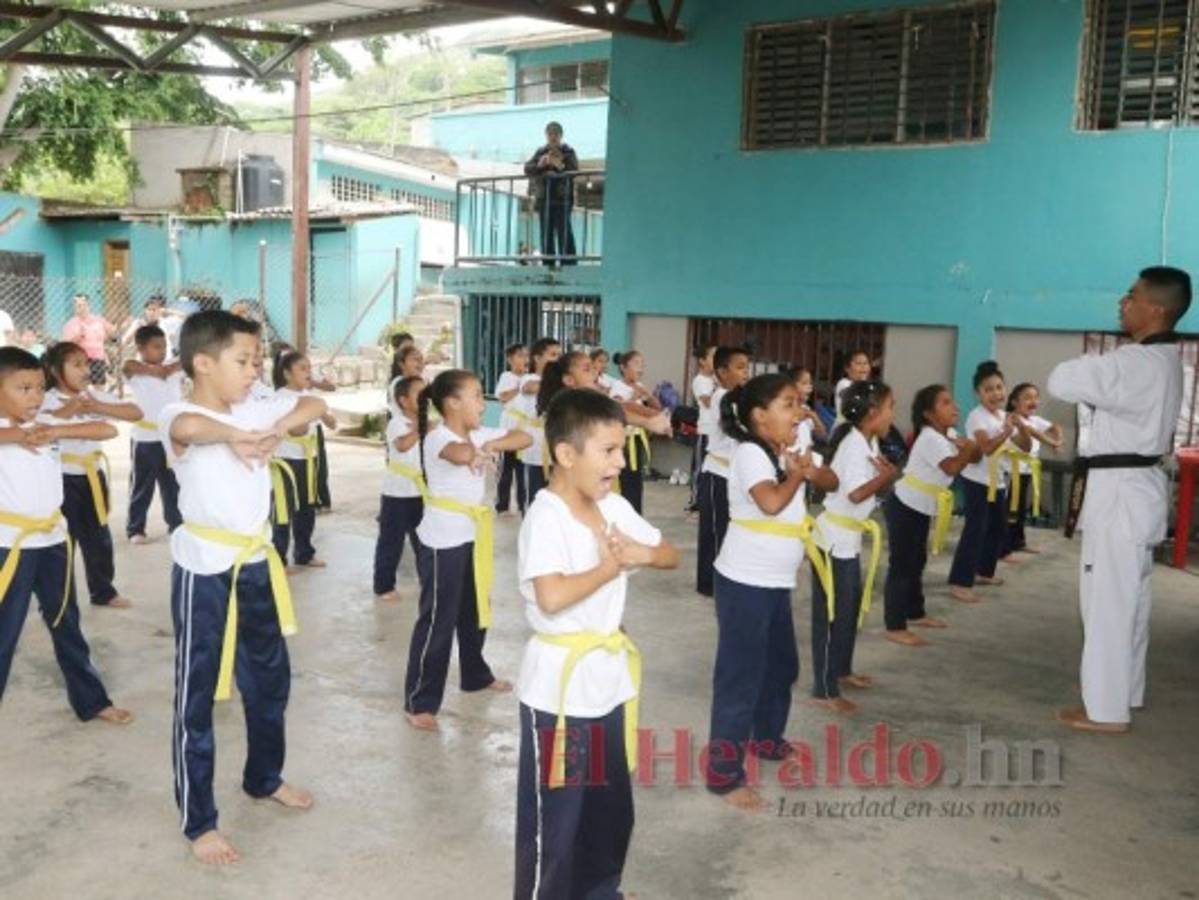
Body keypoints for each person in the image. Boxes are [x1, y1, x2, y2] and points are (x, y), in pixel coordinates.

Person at [162, 310, 327, 865]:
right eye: (243, 361)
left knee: (270, 680)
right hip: (205, 571)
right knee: (199, 694)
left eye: (258, 361)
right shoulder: (180, 411)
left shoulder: (256, 406)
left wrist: (272, 428)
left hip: (257, 565)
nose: (255, 371)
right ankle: (199, 821)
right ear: (203, 363)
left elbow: (315, 406)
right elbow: (189, 431)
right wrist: (237, 435)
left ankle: (264, 777)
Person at [514, 388, 679, 898]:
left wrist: (640, 554)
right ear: (566, 454)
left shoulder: (615, 506)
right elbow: (552, 595)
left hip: (607, 687)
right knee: (556, 828)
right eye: (608, 450)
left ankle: (600, 891)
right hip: (560, 697)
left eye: (622, 448)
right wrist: (611, 566)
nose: (619, 461)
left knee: (608, 814)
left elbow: (668, 552)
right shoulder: (546, 516)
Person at [1048, 266, 1188, 734]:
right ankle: (1125, 692)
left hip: (1121, 491)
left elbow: (1060, 380)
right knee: (1132, 599)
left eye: (1132, 295)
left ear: (1157, 308)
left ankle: (1105, 710)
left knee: (1107, 601)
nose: (1122, 303)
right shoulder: (1169, 360)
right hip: (1140, 487)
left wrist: (1099, 367)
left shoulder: (1136, 363)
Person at [705, 373, 837, 811]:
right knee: (739, 677)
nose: (798, 412)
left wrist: (810, 467)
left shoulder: (794, 448)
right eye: (787, 404)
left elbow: (832, 482)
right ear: (759, 416)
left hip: (776, 582)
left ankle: (765, 740)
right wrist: (798, 476)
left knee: (781, 666)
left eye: (800, 404)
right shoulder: (748, 453)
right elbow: (770, 503)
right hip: (746, 582)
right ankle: (723, 774)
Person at [0, 346, 133, 726]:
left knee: (66, 621)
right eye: (23, 388)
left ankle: (91, 700)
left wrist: (54, 428)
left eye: (40, 387)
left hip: (52, 542)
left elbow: (106, 428)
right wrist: (18, 436)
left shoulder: (44, 421)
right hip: (11, 546)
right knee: (5, 631)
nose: (35, 396)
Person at [403, 369, 531, 732]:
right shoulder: (436, 436)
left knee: (475, 611)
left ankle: (474, 674)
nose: (481, 402)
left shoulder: (479, 434)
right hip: (443, 540)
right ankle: (419, 700)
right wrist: (476, 452)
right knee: (437, 620)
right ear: (452, 403)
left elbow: (523, 437)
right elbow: (457, 454)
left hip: (472, 535)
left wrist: (489, 446)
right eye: (475, 395)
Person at [811, 380, 898, 714]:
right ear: (873, 413)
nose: (893, 414)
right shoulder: (852, 445)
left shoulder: (868, 441)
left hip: (848, 540)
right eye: (890, 407)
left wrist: (883, 477)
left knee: (848, 612)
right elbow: (855, 494)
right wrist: (885, 478)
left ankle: (842, 670)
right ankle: (824, 687)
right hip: (833, 542)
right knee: (831, 616)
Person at [42, 342, 142, 609]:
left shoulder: (93, 396)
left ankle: (103, 591)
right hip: (62, 478)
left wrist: (98, 406)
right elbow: (39, 423)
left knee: (98, 537)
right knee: (63, 541)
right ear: (54, 370)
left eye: (86, 364)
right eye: (76, 365)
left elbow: (136, 412)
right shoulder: (45, 399)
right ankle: (58, 598)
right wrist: (69, 410)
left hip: (93, 476)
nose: (85, 370)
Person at [884, 385, 980, 647]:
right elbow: (951, 467)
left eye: (953, 402)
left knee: (917, 561)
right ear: (928, 414)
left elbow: (974, 457)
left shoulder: (948, 434)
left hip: (921, 505)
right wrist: (967, 449)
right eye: (946, 403)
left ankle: (915, 612)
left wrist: (971, 448)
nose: (955, 407)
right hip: (905, 505)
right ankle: (894, 625)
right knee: (902, 565)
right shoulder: (930, 438)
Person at [947, 361, 1033, 603]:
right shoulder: (977, 417)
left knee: (997, 528)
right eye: (989, 389)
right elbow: (986, 448)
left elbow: (1025, 447)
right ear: (979, 394)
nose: (996, 393)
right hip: (977, 481)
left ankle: (984, 571)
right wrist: (1006, 431)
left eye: (999, 387)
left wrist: (1021, 427)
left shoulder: (1005, 416)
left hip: (998, 482)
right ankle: (959, 582)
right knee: (975, 530)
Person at [271, 350, 337, 570]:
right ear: (287, 374)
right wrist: (310, 409)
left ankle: (304, 552)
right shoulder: (280, 397)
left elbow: (332, 424)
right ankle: (278, 558)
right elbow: (299, 429)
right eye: (302, 368)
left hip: (309, 459)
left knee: (307, 508)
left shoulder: (310, 398)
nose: (308, 373)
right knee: (284, 509)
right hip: (287, 460)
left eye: (309, 368)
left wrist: (320, 409)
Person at [696, 346, 751, 597]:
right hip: (718, 472)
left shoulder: (739, 397)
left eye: (746, 367)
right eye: (739, 368)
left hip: (732, 475)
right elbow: (734, 430)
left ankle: (723, 578)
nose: (745, 373)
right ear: (721, 372)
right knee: (716, 530)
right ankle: (710, 582)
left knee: (728, 529)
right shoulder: (721, 397)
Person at [123, 324, 184, 543]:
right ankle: (136, 528)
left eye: (164, 346)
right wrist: (154, 371)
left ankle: (176, 523)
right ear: (141, 348)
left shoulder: (173, 369)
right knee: (142, 485)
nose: (162, 350)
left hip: (170, 439)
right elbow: (127, 365)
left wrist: (169, 368)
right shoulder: (137, 372)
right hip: (145, 439)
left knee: (173, 485)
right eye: (156, 347)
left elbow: (188, 360)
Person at [373, 375, 425, 603]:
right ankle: (384, 585)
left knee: (425, 541)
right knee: (391, 541)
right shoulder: (397, 422)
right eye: (419, 394)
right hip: (397, 493)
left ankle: (428, 580)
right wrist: (421, 429)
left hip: (421, 492)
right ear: (404, 400)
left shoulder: (428, 423)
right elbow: (403, 445)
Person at [999, 382, 1063, 559]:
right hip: (1011, 472)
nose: (1033, 401)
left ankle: (1018, 542)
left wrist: (1059, 438)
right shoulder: (1011, 418)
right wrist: (1053, 443)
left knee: (1019, 510)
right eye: (1027, 397)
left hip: (1026, 471)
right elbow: (1031, 432)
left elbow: (1055, 427)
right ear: (1014, 402)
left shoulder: (1034, 419)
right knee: (1008, 511)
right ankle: (1002, 548)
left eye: (1036, 397)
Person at [606, 351, 662, 513]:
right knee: (626, 482)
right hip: (623, 442)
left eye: (642, 364)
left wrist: (648, 396)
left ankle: (636, 515)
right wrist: (633, 396)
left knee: (636, 482)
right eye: (636, 364)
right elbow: (616, 410)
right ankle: (626, 515)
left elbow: (657, 408)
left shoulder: (640, 386)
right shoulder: (618, 386)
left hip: (637, 439)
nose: (641, 368)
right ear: (623, 367)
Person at [524, 121, 580, 265]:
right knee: (546, 233)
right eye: (550, 134)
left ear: (561, 136)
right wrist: (540, 165)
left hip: (562, 200)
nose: (553, 137)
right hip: (544, 200)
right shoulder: (541, 152)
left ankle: (569, 264)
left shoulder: (568, 151)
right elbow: (527, 169)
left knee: (564, 232)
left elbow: (574, 170)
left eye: (556, 134)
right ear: (546, 136)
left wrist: (560, 165)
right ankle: (548, 263)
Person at [515, 338, 562, 507]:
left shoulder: (561, 382)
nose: (557, 359)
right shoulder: (529, 378)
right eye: (552, 355)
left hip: (556, 444)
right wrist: (556, 380)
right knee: (533, 496)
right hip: (534, 448)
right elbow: (528, 387)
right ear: (537, 358)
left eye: (559, 355)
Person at [495, 343, 530, 516]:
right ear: (510, 359)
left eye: (526, 356)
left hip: (524, 430)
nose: (524, 359)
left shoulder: (530, 377)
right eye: (520, 356)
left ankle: (523, 504)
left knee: (522, 469)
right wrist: (520, 387)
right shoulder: (506, 376)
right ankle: (502, 505)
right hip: (508, 428)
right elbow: (502, 397)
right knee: (505, 469)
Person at [62, 295, 117, 386]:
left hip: (97, 358)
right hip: (80, 361)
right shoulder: (70, 324)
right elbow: (66, 345)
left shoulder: (98, 320)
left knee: (99, 386)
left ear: (88, 306)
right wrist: (78, 337)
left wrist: (113, 331)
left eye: (84, 305)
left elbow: (112, 332)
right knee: (83, 386)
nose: (81, 308)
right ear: (74, 308)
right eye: (78, 305)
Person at [689, 344, 717, 514]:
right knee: (700, 467)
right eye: (713, 356)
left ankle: (707, 500)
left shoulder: (715, 380)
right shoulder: (700, 380)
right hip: (705, 431)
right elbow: (708, 402)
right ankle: (696, 502)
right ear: (702, 361)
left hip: (716, 432)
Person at [833, 349, 873, 424]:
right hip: (845, 429)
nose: (863, 366)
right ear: (847, 368)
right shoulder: (843, 384)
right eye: (858, 363)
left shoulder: (868, 386)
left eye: (866, 363)